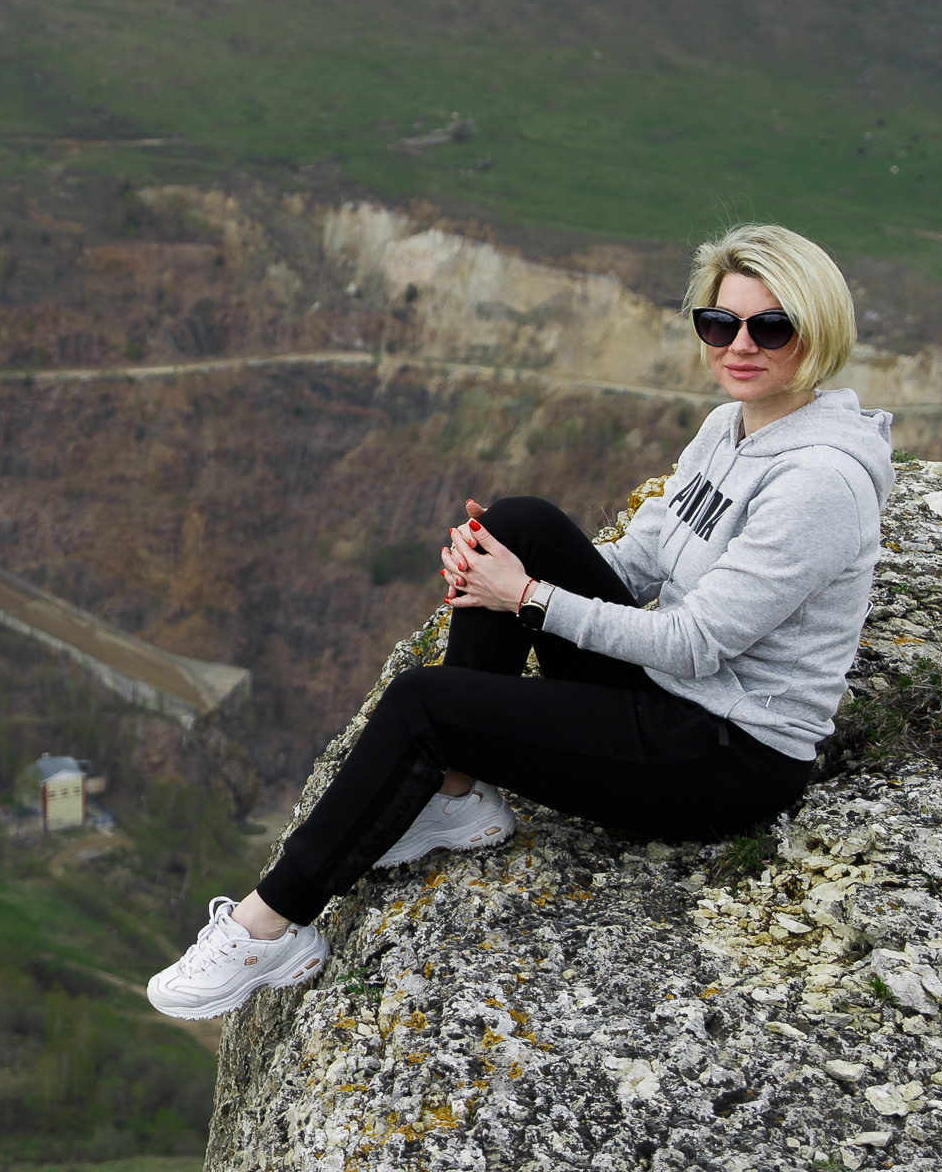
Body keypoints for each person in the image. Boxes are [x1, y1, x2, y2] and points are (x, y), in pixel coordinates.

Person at [147, 220, 893, 1020]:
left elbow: (696, 642)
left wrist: (528, 599)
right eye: (720, 323)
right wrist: (499, 565)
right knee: (518, 520)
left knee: (423, 704)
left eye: (769, 327)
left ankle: (272, 926)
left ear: (816, 332)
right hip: (673, 698)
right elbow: (640, 560)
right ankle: (457, 798)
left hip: (726, 755)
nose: (738, 345)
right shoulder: (731, 425)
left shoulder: (818, 483)